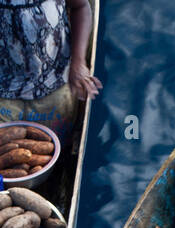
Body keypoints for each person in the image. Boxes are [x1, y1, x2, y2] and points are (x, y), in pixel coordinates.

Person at [0, 0, 101, 144]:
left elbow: (81, 7)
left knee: (53, 148)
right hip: (4, 96)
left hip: (55, 83)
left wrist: (78, 63)